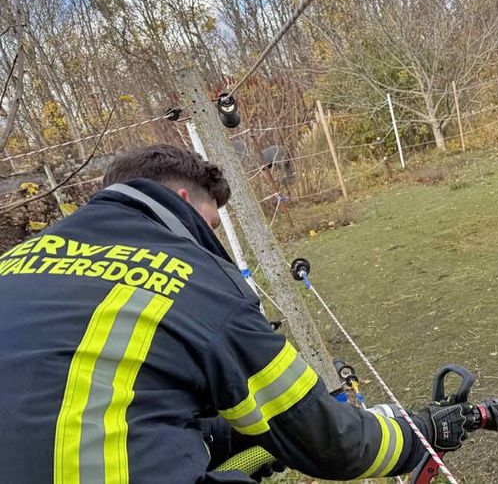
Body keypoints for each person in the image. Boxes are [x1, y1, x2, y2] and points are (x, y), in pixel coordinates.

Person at [0, 144, 470, 483]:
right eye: (210, 226)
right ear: (182, 203)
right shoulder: (195, 279)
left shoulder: (19, 260)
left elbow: (86, 408)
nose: (212, 244)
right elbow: (330, 443)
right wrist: (421, 433)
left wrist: (231, 440)